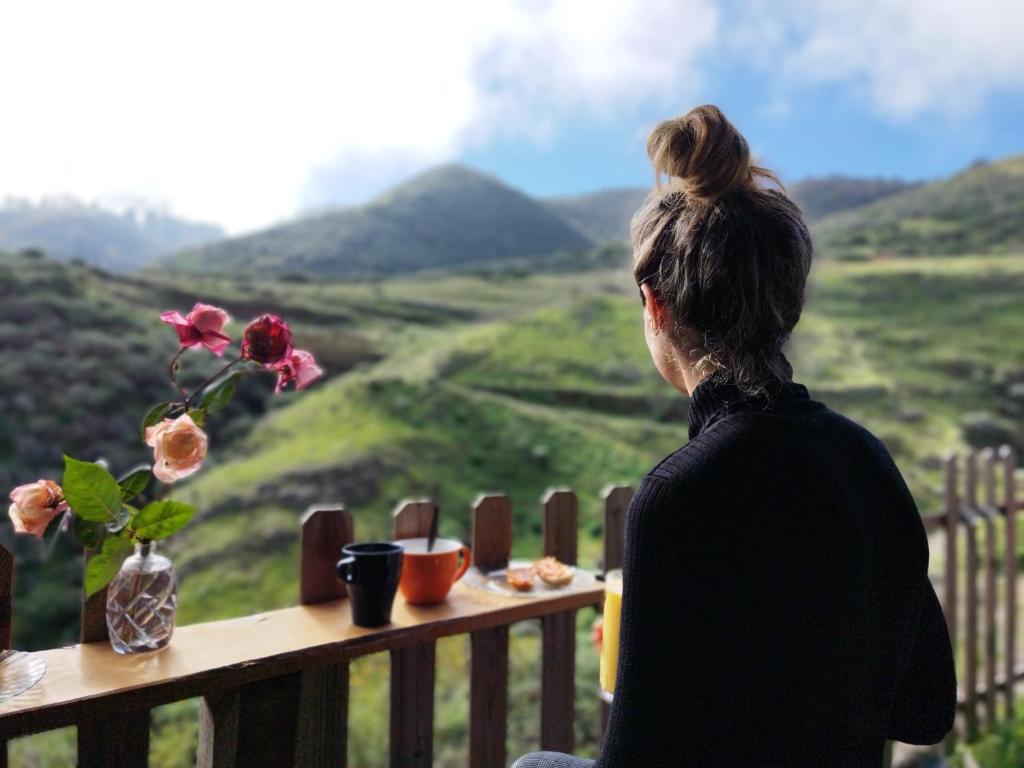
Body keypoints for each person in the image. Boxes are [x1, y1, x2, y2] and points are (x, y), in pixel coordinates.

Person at [512, 105, 956, 767]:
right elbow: (924, 712)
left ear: (655, 307)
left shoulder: (679, 493)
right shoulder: (864, 456)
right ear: (788, 304)